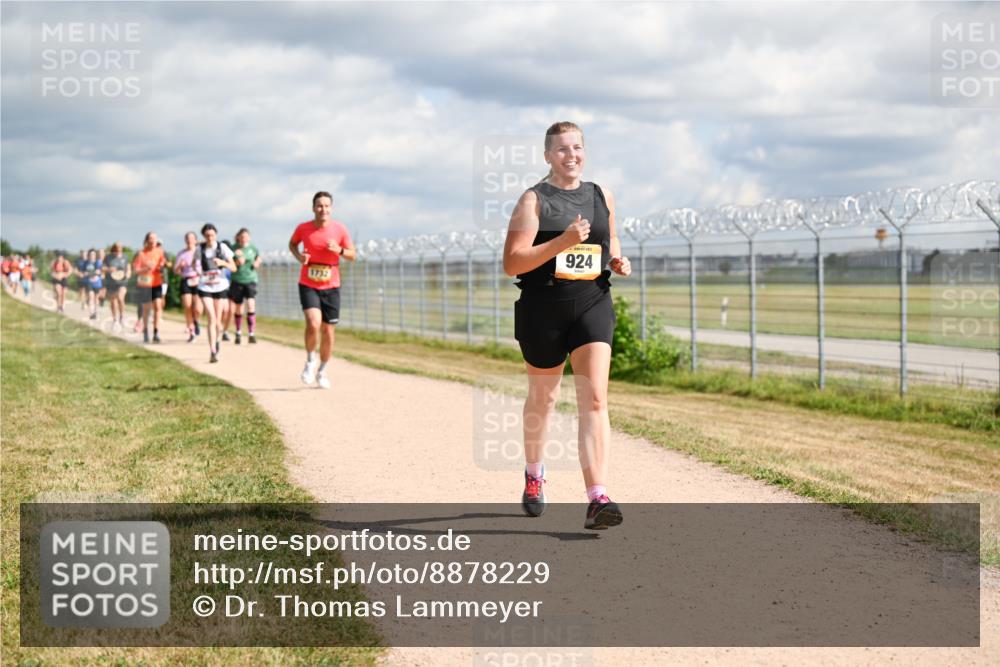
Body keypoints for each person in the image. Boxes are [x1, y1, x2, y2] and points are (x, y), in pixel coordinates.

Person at [502, 121, 632, 530]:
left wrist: (617, 260)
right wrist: (562, 242)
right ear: (547, 156)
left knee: (594, 399)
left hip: (593, 301)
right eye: (561, 149)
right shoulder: (533, 200)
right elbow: (512, 262)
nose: (570, 155)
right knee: (544, 399)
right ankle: (534, 473)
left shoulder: (601, 195)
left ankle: (598, 498)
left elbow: (609, 241)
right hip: (544, 308)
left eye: (576, 147)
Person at [288, 191, 355, 389]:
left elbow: (352, 255)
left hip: (331, 285)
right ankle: (310, 361)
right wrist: (299, 257)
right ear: (313, 208)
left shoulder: (340, 229)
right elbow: (292, 244)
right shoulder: (303, 228)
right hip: (308, 283)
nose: (323, 209)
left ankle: (322, 370)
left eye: (326, 206)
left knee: (328, 331)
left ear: (331, 208)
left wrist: (339, 250)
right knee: (313, 323)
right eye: (319, 205)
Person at [192, 223, 236, 363]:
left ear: (216, 235)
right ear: (204, 236)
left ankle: (217, 341)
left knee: (217, 320)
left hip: (220, 286)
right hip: (205, 286)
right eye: (207, 235)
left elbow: (234, 267)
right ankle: (212, 351)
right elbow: (194, 262)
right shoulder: (200, 248)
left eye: (212, 235)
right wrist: (198, 272)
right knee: (211, 317)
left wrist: (223, 263)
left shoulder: (222, 248)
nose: (210, 238)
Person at [229, 228, 261, 345]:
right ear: (238, 237)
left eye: (246, 237)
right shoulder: (233, 248)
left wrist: (257, 263)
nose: (244, 239)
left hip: (251, 279)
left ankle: (251, 334)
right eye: (242, 237)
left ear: (249, 237)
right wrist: (237, 262)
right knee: (239, 307)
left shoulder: (253, 248)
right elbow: (229, 263)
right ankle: (238, 332)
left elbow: (258, 257)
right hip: (237, 280)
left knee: (251, 305)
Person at [132, 232, 166, 343]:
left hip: (157, 282)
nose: (153, 241)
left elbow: (163, 263)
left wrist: (161, 267)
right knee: (146, 309)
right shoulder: (141, 254)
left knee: (158, 306)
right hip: (145, 284)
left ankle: (156, 332)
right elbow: (136, 270)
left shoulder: (160, 252)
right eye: (150, 238)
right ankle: (145, 330)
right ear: (146, 240)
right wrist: (146, 269)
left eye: (154, 238)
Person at [173, 232, 203, 343]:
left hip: (198, 280)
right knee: (187, 306)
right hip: (186, 280)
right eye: (187, 238)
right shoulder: (181, 253)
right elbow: (175, 271)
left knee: (198, 309)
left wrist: (198, 270)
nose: (189, 240)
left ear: (195, 240)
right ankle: (191, 331)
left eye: (191, 238)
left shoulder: (200, 252)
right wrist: (180, 266)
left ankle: (197, 321)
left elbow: (206, 266)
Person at [104, 243, 131, 330]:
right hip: (111, 282)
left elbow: (128, 268)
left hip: (122, 282)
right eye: (117, 249)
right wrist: (109, 269)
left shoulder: (125, 257)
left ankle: (122, 317)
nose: (118, 251)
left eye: (120, 249)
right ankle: (115, 319)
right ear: (114, 249)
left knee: (120, 298)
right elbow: (102, 268)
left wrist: (128, 274)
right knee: (113, 301)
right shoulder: (108, 257)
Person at [82, 249, 103, 320]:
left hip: (97, 283)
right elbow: (83, 272)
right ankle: (91, 313)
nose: (92, 256)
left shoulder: (98, 262)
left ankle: (95, 313)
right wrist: (89, 273)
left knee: (96, 298)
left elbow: (99, 271)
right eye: (91, 254)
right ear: (88, 255)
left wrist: (90, 273)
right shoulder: (86, 263)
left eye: (93, 254)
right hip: (89, 282)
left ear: (95, 255)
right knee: (91, 296)